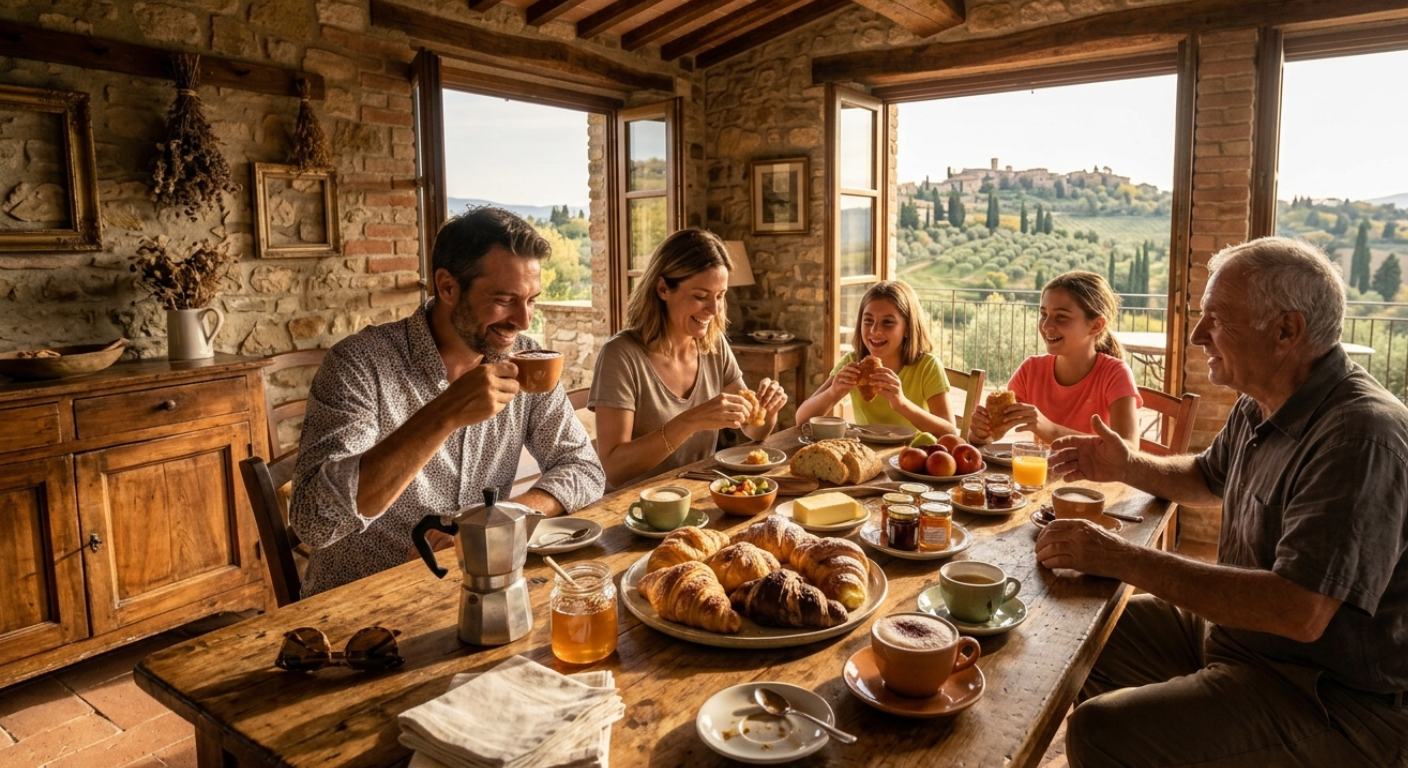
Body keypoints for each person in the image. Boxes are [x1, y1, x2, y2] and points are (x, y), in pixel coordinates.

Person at [1038, 237, 1408, 768]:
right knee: (1083, 634)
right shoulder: (1264, 399)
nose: (1196, 335)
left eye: (1218, 318)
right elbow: (1206, 477)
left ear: (1287, 330)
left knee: (1100, 732)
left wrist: (1123, 558)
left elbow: (1298, 610)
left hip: (1330, 697)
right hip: (1243, 640)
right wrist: (1128, 465)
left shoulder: (1359, 435)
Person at [290, 207, 604, 597]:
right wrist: (446, 412)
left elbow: (584, 468)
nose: (524, 321)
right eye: (505, 300)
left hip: (475, 591)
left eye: (532, 300)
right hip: (363, 606)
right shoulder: (359, 364)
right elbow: (314, 522)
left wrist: (499, 519)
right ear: (448, 287)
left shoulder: (525, 359)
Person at [589, 229, 786, 490]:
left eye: (720, 295)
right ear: (662, 289)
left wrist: (767, 411)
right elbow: (614, 469)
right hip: (635, 511)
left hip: (699, 494)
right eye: (700, 296)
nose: (714, 310)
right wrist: (689, 421)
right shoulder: (621, 356)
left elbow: (754, 431)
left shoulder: (714, 347)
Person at [968, 271, 1141, 447]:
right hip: (1044, 473)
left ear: (1095, 325)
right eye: (1044, 314)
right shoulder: (1031, 370)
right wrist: (980, 434)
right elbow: (992, 435)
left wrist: (1051, 431)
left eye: (1061, 317)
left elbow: (1129, 448)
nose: (1046, 325)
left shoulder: (1115, 374)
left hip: (1094, 476)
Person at [794, 280, 958, 436]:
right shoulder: (853, 362)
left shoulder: (927, 366)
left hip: (913, 456)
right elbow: (802, 420)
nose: (875, 330)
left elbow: (950, 431)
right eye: (868, 320)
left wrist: (901, 403)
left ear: (907, 329)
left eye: (887, 322)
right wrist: (833, 392)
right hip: (867, 454)